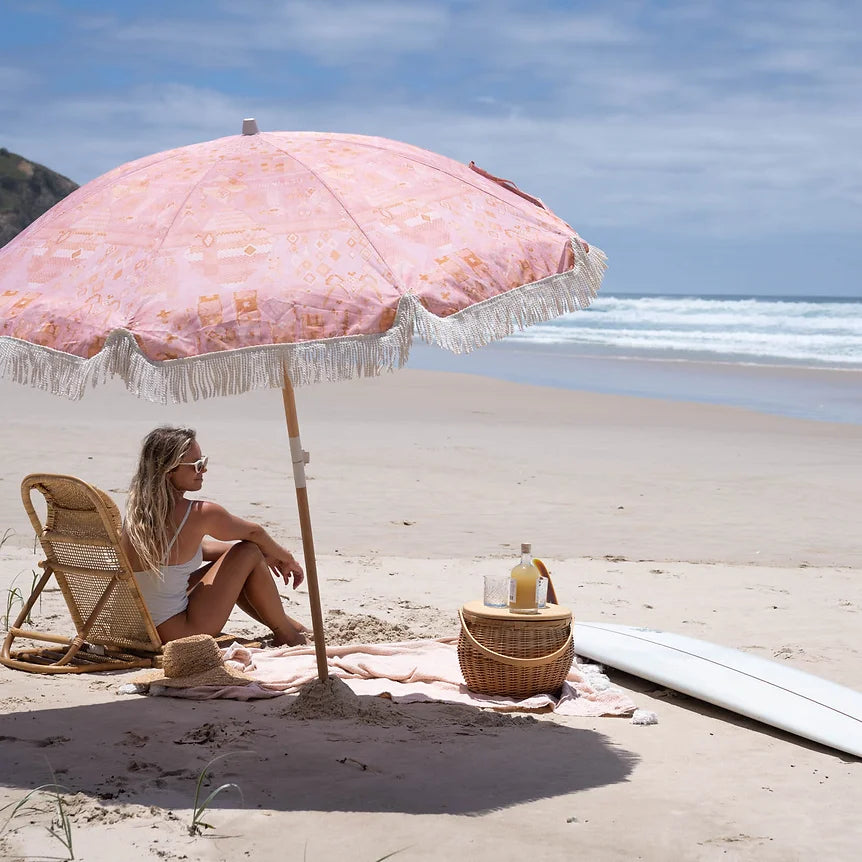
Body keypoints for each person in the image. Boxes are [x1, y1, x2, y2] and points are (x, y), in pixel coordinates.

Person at [121, 425, 308, 646]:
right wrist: (285, 557)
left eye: (204, 462)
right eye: (197, 466)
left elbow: (193, 552)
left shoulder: (139, 514)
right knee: (248, 550)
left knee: (247, 558)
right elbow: (254, 532)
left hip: (139, 628)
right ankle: (289, 635)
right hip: (178, 632)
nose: (204, 471)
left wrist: (264, 557)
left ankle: (291, 626)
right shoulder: (200, 513)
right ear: (169, 470)